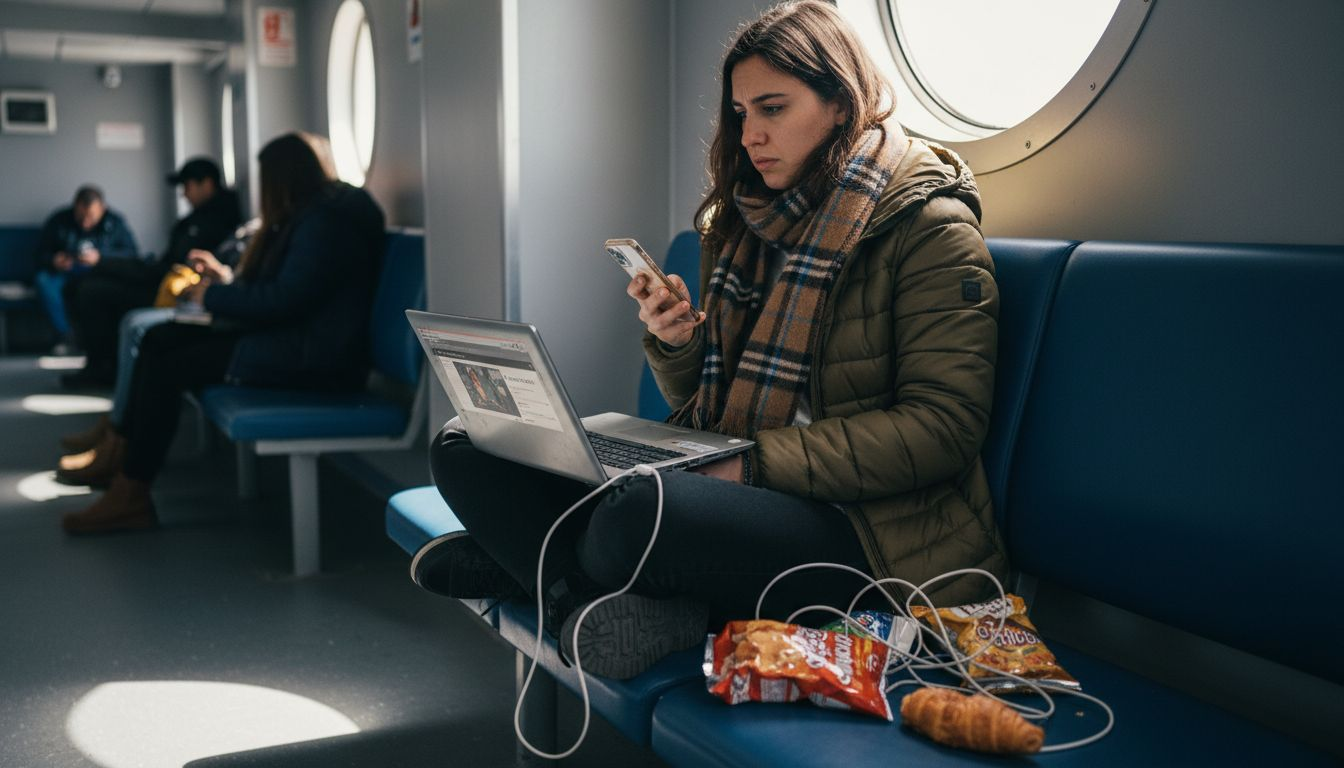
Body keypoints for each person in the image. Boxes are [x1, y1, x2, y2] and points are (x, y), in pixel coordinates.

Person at [418, 0, 1008, 680]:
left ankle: (523, 562)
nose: (751, 134)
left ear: (841, 103)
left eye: (774, 108)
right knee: (468, 441)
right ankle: (577, 601)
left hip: (869, 533)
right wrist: (677, 343)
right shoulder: (747, 224)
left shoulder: (932, 229)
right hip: (751, 487)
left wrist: (748, 467)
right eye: (741, 113)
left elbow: (944, 428)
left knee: (635, 510)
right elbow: (708, 400)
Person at [57, 133, 386, 533]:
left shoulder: (323, 221)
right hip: (297, 340)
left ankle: (131, 489)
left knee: (171, 362)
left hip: (316, 357)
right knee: (160, 340)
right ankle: (123, 462)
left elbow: (284, 299)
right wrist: (227, 281)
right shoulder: (317, 213)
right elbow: (291, 292)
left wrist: (213, 296)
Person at [60, 158, 242, 389]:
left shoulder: (214, 221)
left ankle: (103, 368)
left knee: (94, 291)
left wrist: (104, 262)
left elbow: (167, 269)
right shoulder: (199, 219)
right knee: (91, 284)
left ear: (206, 184)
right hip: (164, 280)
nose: (184, 194)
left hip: (174, 290)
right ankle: (103, 365)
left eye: (187, 186)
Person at [32, 185, 140, 353]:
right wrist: (54, 260)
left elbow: (132, 254)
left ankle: (101, 343)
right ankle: (65, 336)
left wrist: (101, 258)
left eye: (90, 217)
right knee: (44, 281)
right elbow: (39, 254)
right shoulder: (59, 220)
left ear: (103, 209)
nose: (85, 222)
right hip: (66, 273)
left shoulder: (115, 223)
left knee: (102, 288)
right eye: (80, 216)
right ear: (74, 206)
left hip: (100, 273)